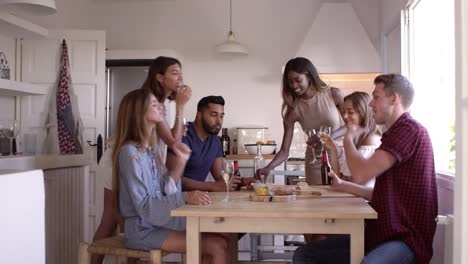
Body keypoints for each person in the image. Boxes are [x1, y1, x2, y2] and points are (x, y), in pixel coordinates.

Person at [293, 74, 438, 264]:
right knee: (304, 255)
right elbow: (379, 193)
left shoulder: (409, 130)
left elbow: (361, 175)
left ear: (394, 99)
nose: (371, 104)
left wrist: (348, 136)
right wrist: (344, 185)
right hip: (380, 234)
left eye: (376, 97)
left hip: (405, 238)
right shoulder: (394, 134)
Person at [112, 88, 228, 263]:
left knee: (221, 236)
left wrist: (180, 163)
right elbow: (144, 207)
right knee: (217, 245)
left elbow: (165, 189)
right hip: (141, 231)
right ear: (139, 112)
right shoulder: (129, 153)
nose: (160, 107)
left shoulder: (151, 150)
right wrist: (185, 197)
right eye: (154, 104)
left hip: (156, 224)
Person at [256, 57, 345, 185]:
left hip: (340, 157)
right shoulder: (293, 110)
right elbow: (284, 151)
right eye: (290, 82)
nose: (294, 86)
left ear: (309, 76)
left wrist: (327, 137)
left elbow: (351, 125)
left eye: (298, 80)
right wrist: (267, 168)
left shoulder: (333, 94)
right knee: (318, 203)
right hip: (315, 163)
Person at [166, 95, 255, 192]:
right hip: (177, 201)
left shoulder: (216, 141)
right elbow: (173, 181)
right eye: (213, 115)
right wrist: (214, 186)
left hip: (199, 199)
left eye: (221, 116)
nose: (219, 121)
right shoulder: (182, 135)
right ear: (199, 115)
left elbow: (219, 176)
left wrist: (241, 182)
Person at [321, 91, 381, 186]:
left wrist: (347, 137)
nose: (344, 116)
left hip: (363, 200)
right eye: (344, 111)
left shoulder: (371, 139)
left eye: (350, 112)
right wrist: (332, 149)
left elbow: (355, 180)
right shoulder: (355, 139)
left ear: (363, 113)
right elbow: (340, 178)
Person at [141, 56, 192, 149]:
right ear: (160, 77)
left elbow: (165, 135)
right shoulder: (150, 102)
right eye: (175, 73)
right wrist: (180, 106)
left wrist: (178, 130)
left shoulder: (161, 102)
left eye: (181, 74)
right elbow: (173, 142)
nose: (180, 78)